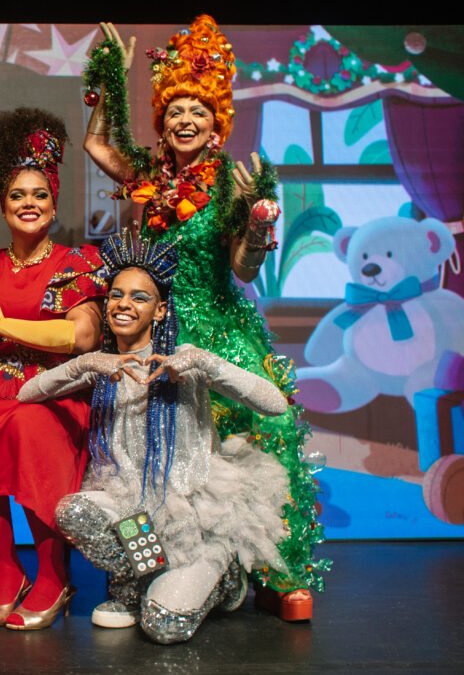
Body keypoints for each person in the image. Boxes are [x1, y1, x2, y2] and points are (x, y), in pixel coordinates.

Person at [81, 16, 323, 620]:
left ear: (218, 124)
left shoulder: (228, 184)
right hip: (153, 333)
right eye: (176, 110)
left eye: (200, 111)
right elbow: (96, 147)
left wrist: (260, 223)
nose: (186, 120)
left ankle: (275, 566)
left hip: (222, 334)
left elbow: (242, 268)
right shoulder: (150, 177)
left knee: (260, 445)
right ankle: (160, 568)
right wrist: (110, 78)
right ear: (161, 120)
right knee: (151, 457)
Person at [19, 234, 291, 644]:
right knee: (74, 511)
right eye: (116, 295)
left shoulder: (186, 358)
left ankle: (219, 577)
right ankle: (135, 587)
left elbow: (275, 404)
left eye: (139, 297)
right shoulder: (105, 366)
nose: (123, 304)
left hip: (196, 523)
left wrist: (205, 363)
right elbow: (27, 393)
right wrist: (88, 362)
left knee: (163, 625)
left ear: (160, 309)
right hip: (135, 512)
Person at [0, 108, 105, 631]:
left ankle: (53, 573)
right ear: (2, 205)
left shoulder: (75, 263)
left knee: (32, 428)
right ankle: (8, 572)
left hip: (53, 390)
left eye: (39, 195)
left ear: (54, 204)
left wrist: (0, 322)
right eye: (17, 195)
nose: (29, 204)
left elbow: (82, 335)